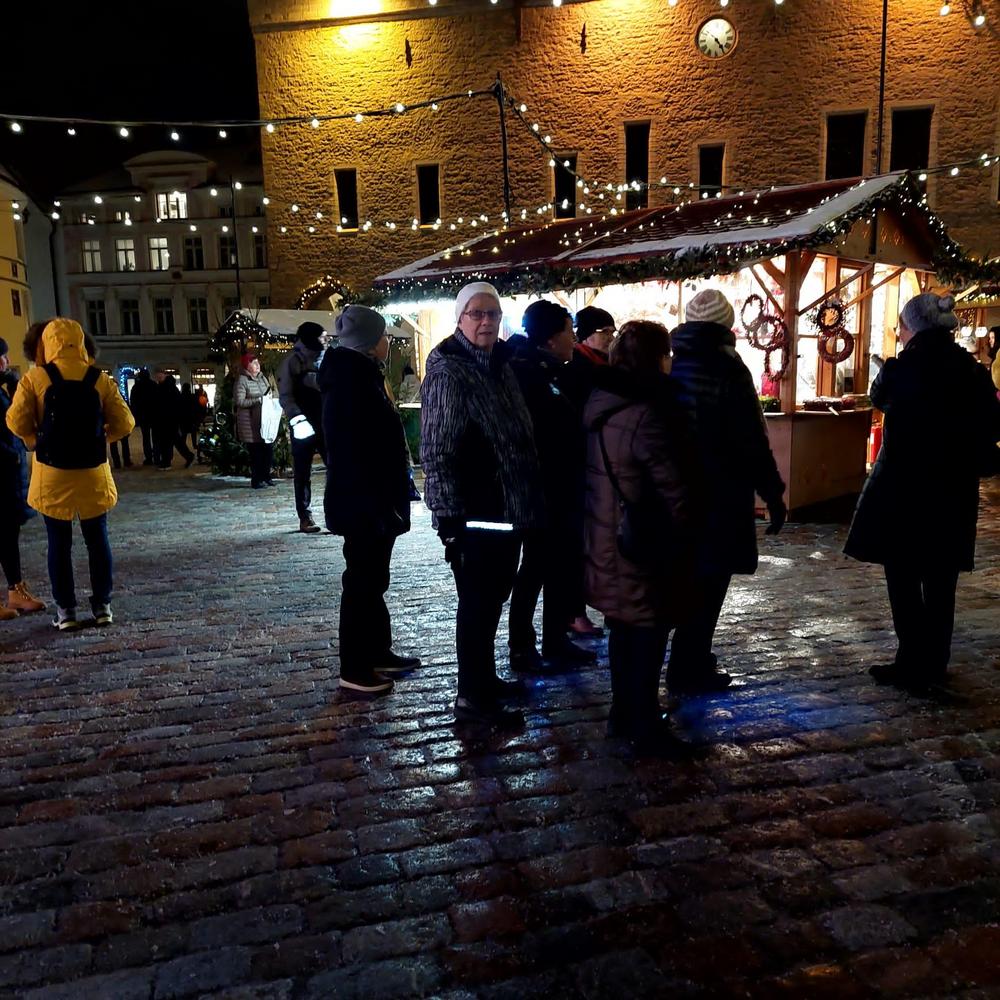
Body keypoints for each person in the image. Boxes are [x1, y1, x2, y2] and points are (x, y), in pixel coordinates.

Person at [845, 293, 1000, 696]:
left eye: (901, 326)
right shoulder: (972, 371)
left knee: (903, 577)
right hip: (953, 492)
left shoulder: (902, 368)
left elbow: (878, 398)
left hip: (904, 491)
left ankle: (911, 661)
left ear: (912, 327)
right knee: (941, 581)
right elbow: (993, 423)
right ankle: (934, 662)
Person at [421, 281, 543, 728]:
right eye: (477, 313)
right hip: (476, 511)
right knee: (477, 604)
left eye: (493, 313)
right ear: (460, 319)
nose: (486, 321)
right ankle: (472, 698)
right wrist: (448, 518)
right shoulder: (450, 372)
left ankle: (484, 680)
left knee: (492, 600)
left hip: (508, 507)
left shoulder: (498, 364)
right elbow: (437, 450)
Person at [584, 321, 699, 754]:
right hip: (643, 543)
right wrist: (690, 533)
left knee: (622, 628)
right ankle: (645, 725)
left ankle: (623, 713)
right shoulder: (648, 412)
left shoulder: (602, 400)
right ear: (657, 359)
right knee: (649, 631)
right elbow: (674, 488)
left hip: (608, 537)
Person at [666, 288, 786, 694]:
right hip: (719, 493)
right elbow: (749, 439)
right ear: (726, 324)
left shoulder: (672, 362)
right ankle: (689, 665)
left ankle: (688, 659)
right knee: (710, 582)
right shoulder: (727, 367)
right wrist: (772, 492)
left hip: (676, 492)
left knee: (688, 579)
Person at [6, 318, 134, 630]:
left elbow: (16, 421)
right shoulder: (98, 379)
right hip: (92, 473)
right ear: (82, 343)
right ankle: (102, 606)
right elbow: (126, 422)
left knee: (58, 544)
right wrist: (103, 437)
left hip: (53, 474)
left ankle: (66, 612)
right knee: (97, 540)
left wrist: (34, 439)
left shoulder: (36, 378)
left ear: (45, 344)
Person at [319, 306, 419, 695]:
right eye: (383, 336)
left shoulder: (360, 374)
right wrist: (375, 499)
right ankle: (355, 667)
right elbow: (355, 449)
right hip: (363, 500)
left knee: (374, 579)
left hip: (372, 498)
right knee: (361, 582)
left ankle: (377, 652)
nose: (387, 342)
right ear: (369, 341)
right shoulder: (351, 380)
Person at [507, 299, 596, 671]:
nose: (573, 339)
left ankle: (555, 639)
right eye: (568, 332)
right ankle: (523, 645)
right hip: (545, 488)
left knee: (559, 565)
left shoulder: (554, 371)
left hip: (562, 485)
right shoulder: (529, 373)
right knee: (537, 566)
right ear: (550, 337)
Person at [0, 337, 47, 620]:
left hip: (8, 474)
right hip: (3, 470)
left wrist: (14, 390)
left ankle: (15, 590)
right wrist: (9, 455)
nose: (6, 361)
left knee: (8, 534)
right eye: (2, 357)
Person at [278, 321, 328, 533]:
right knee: (302, 471)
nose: (326, 340)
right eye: (323, 336)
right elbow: (286, 395)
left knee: (335, 467)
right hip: (303, 423)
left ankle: (334, 513)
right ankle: (305, 516)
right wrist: (297, 418)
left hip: (325, 420)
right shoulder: (293, 362)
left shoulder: (327, 358)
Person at [234, 352, 275, 489]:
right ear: (247, 366)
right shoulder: (242, 380)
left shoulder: (263, 378)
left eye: (258, 362)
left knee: (268, 450)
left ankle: (266, 476)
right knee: (256, 453)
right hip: (250, 423)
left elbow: (269, 393)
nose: (258, 365)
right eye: (254, 363)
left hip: (264, 420)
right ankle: (257, 480)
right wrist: (257, 400)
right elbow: (239, 401)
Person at [150, 369, 193, 470]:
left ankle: (168, 461)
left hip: (168, 419)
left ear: (164, 375)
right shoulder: (165, 387)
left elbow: (170, 405)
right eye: (158, 376)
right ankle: (176, 459)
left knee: (169, 441)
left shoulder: (167, 388)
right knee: (173, 441)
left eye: (160, 376)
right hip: (167, 420)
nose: (159, 378)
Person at [128, 368, 156, 465]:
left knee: (146, 437)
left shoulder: (136, 387)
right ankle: (157, 456)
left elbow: (133, 402)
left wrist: (136, 415)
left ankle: (149, 457)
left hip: (143, 416)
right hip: (154, 414)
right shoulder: (153, 385)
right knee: (155, 437)